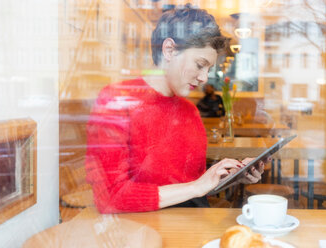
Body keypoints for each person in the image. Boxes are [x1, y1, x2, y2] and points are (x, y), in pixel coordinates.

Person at [85, 4, 265, 213]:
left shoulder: (190, 112)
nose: (204, 78)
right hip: (144, 233)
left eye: (209, 69)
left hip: (189, 227)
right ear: (169, 50)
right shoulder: (116, 100)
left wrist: (228, 178)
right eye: (200, 64)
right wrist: (197, 187)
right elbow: (111, 197)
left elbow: (191, 188)